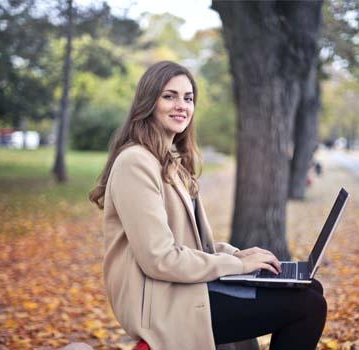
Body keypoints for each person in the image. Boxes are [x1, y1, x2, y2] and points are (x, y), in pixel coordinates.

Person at [89, 61, 327, 349]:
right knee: (307, 305)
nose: (181, 106)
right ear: (148, 102)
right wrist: (237, 265)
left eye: (188, 98)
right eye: (169, 96)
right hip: (161, 303)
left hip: (185, 288)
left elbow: (192, 246)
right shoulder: (135, 162)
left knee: (310, 290)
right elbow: (159, 258)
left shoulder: (169, 161)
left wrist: (238, 254)